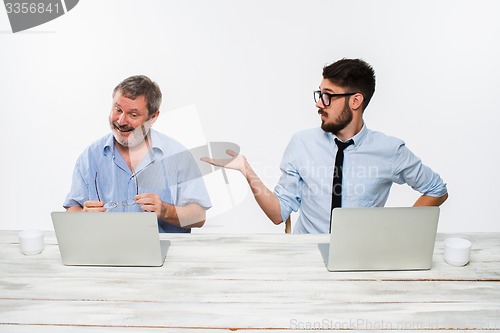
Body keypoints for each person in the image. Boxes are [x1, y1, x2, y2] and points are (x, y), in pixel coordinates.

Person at [202, 58, 448, 233]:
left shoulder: (389, 151)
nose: (319, 103)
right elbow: (279, 214)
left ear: (355, 101)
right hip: (306, 257)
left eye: (328, 96)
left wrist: (399, 232)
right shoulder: (302, 143)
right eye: (319, 94)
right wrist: (246, 169)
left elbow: (437, 189)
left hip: (359, 259)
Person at [64, 75, 211, 233]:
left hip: (164, 253)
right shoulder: (90, 156)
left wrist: (166, 211)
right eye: (118, 109)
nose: (121, 121)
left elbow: (199, 216)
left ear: (153, 117)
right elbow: (72, 209)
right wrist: (83, 215)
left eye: (133, 115)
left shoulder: (178, 154)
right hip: (107, 253)